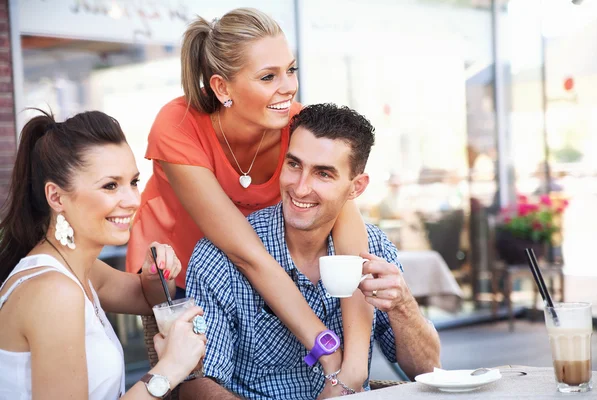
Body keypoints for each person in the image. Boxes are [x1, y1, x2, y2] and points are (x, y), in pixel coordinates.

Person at [126, 7, 372, 390]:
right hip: (183, 280)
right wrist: (328, 349)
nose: (288, 87)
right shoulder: (177, 127)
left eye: (291, 70)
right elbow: (245, 254)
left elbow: (350, 246)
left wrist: (353, 367)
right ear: (223, 88)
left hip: (266, 277)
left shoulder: (300, 124)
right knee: (200, 388)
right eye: (268, 77)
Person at [184, 104, 441, 399]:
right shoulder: (218, 257)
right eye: (294, 165)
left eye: (323, 174)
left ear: (356, 187)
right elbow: (197, 385)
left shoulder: (374, 247)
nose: (301, 188)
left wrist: (403, 307)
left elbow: (428, 370)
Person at [0, 110, 207, 399]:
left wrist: (153, 273)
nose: (133, 200)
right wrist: (169, 369)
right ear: (56, 197)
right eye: (110, 185)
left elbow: (152, 301)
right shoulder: (54, 293)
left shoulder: (78, 269)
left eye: (133, 182)